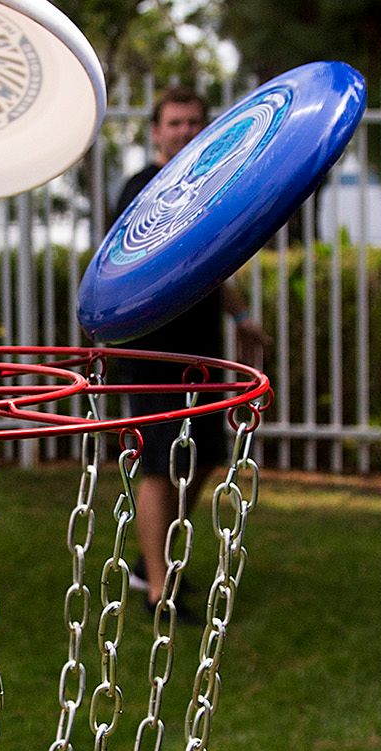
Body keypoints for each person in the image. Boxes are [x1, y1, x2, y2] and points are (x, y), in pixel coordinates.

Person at [98, 87, 272, 614]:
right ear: (155, 131)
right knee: (159, 464)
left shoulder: (210, 188)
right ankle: (157, 592)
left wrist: (241, 318)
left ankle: (151, 562)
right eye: (174, 123)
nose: (185, 131)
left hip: (201, 347)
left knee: (203, 459)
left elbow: (213, 265)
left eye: (194, 122)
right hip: (153, 352)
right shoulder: (139, 188)